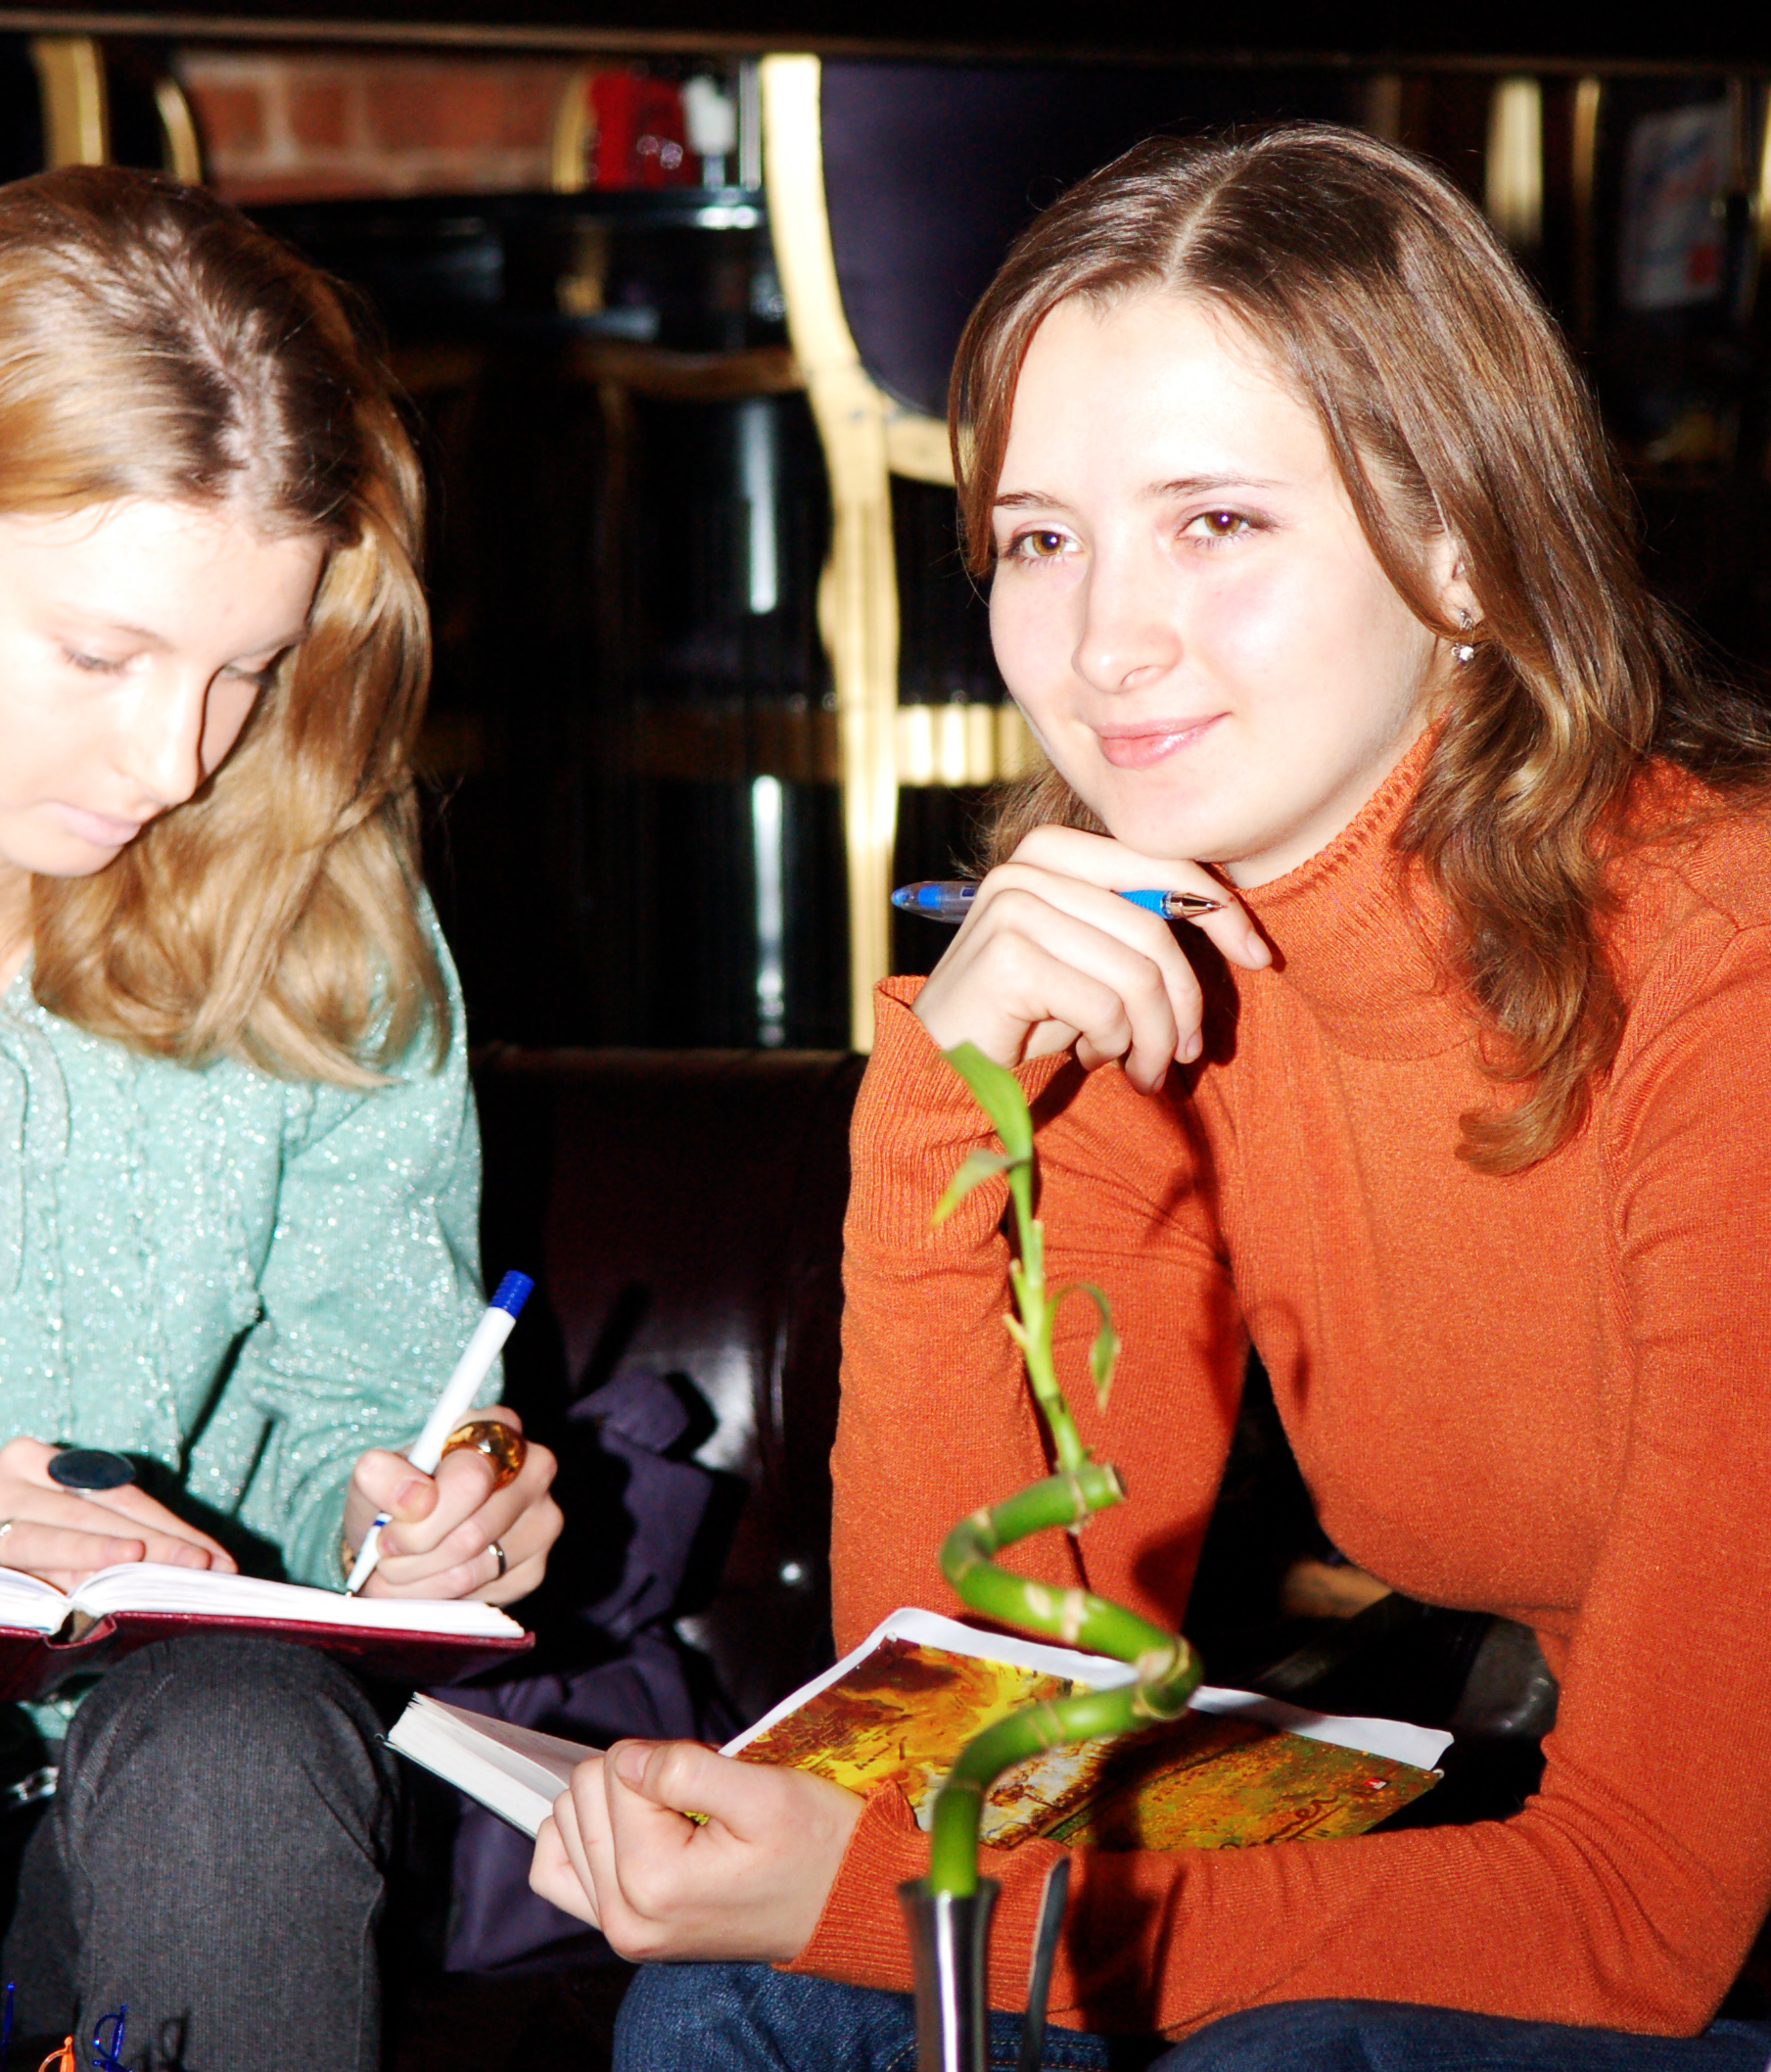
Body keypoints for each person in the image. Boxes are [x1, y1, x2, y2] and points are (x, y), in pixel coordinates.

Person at [528, 124, 1771, 2069]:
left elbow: (1645, 1910)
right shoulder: (1143, 960)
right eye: (1040, 538)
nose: (1102, 644)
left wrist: (878, 1900)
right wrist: (940, 1117)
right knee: (735, 2005)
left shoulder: (1725, 969)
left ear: (1460, 543)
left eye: (1215, 522)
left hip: (1704, 1926)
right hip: (1587, 1875)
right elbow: (989, 1722)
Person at [0, 164, 562, 2068]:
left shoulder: (314, 913)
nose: (175, 758)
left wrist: (412, 1516)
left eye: (245, 669)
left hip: (152, 1773)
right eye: (103, 656)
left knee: (242, 1743)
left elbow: (364, 1391)